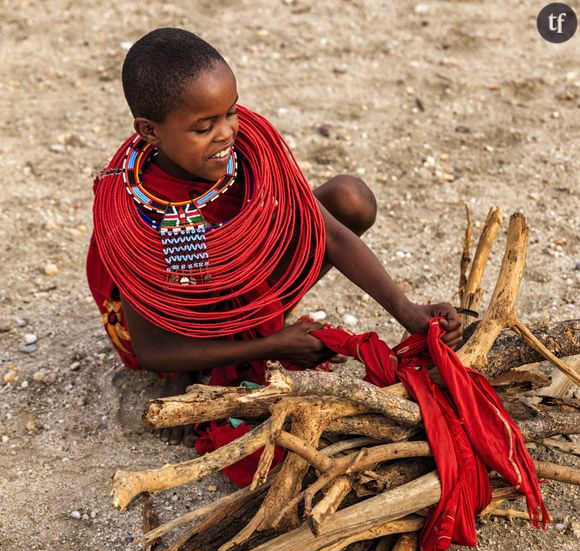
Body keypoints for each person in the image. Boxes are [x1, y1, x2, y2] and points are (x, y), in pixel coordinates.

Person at [87, 28, 463, 447]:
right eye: (203, 127)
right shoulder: (137, 217)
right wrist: (270, 344)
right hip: (172, 320)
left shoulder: (247, 155)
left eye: (230, 112)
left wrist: (407, 311)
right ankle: (190, 372)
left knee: (348, 199)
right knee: (191, 268)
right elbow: (153, 349)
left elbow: (331, 236)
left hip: (231, 276)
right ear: (150, 132)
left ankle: (245, 320)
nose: (227, 132)